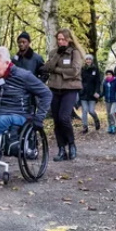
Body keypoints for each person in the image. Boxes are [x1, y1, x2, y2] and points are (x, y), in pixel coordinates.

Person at [0, 46, 52, 178]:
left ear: (7, 63)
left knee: (3, 119)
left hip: (19, 115)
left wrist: (39, 117)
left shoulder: (24, 76)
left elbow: (46, 94)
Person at [44, 28, 84, 161]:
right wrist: (56, 57)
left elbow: (74, 71)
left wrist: (57, 70)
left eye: (63, 39)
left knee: (64, 117)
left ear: (69, 39)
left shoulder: (75, 53)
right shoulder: (53, 53)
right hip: (54, 88)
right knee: (56, 120)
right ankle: (61, 149)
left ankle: (71, 144)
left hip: (70, 89)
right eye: (59, 39)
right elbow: (48, 68)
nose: (60, 41)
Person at [79, 54, 101, 133]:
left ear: (92, 60)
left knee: (91, 111)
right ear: (85, 61)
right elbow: (79, 80)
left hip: (92, 94)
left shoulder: (95, 69)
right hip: (83, 93)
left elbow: (98, 82)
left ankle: (96, 120)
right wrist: (80, 90)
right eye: (87, 59)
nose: (88, 61)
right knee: (84, 110)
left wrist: (97, 92)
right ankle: (85, 127)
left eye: (90, 59)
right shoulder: (82, 69)